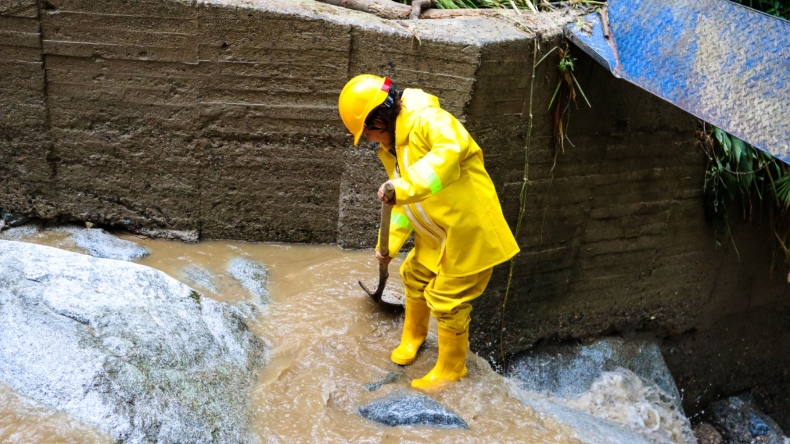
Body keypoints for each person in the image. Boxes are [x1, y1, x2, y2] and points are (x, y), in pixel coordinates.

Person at [337, 74, 520, 391]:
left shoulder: (430, 120)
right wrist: (390, 245)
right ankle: (414, 337)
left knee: (448, 301)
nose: (369, 140)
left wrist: (403, 187)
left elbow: (447, 158)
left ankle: (452, 369)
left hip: (469, 235)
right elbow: (405, 204)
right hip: (436, 235)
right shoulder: (393, 147)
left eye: (367, 133)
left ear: (380, 116)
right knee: (413, 275)